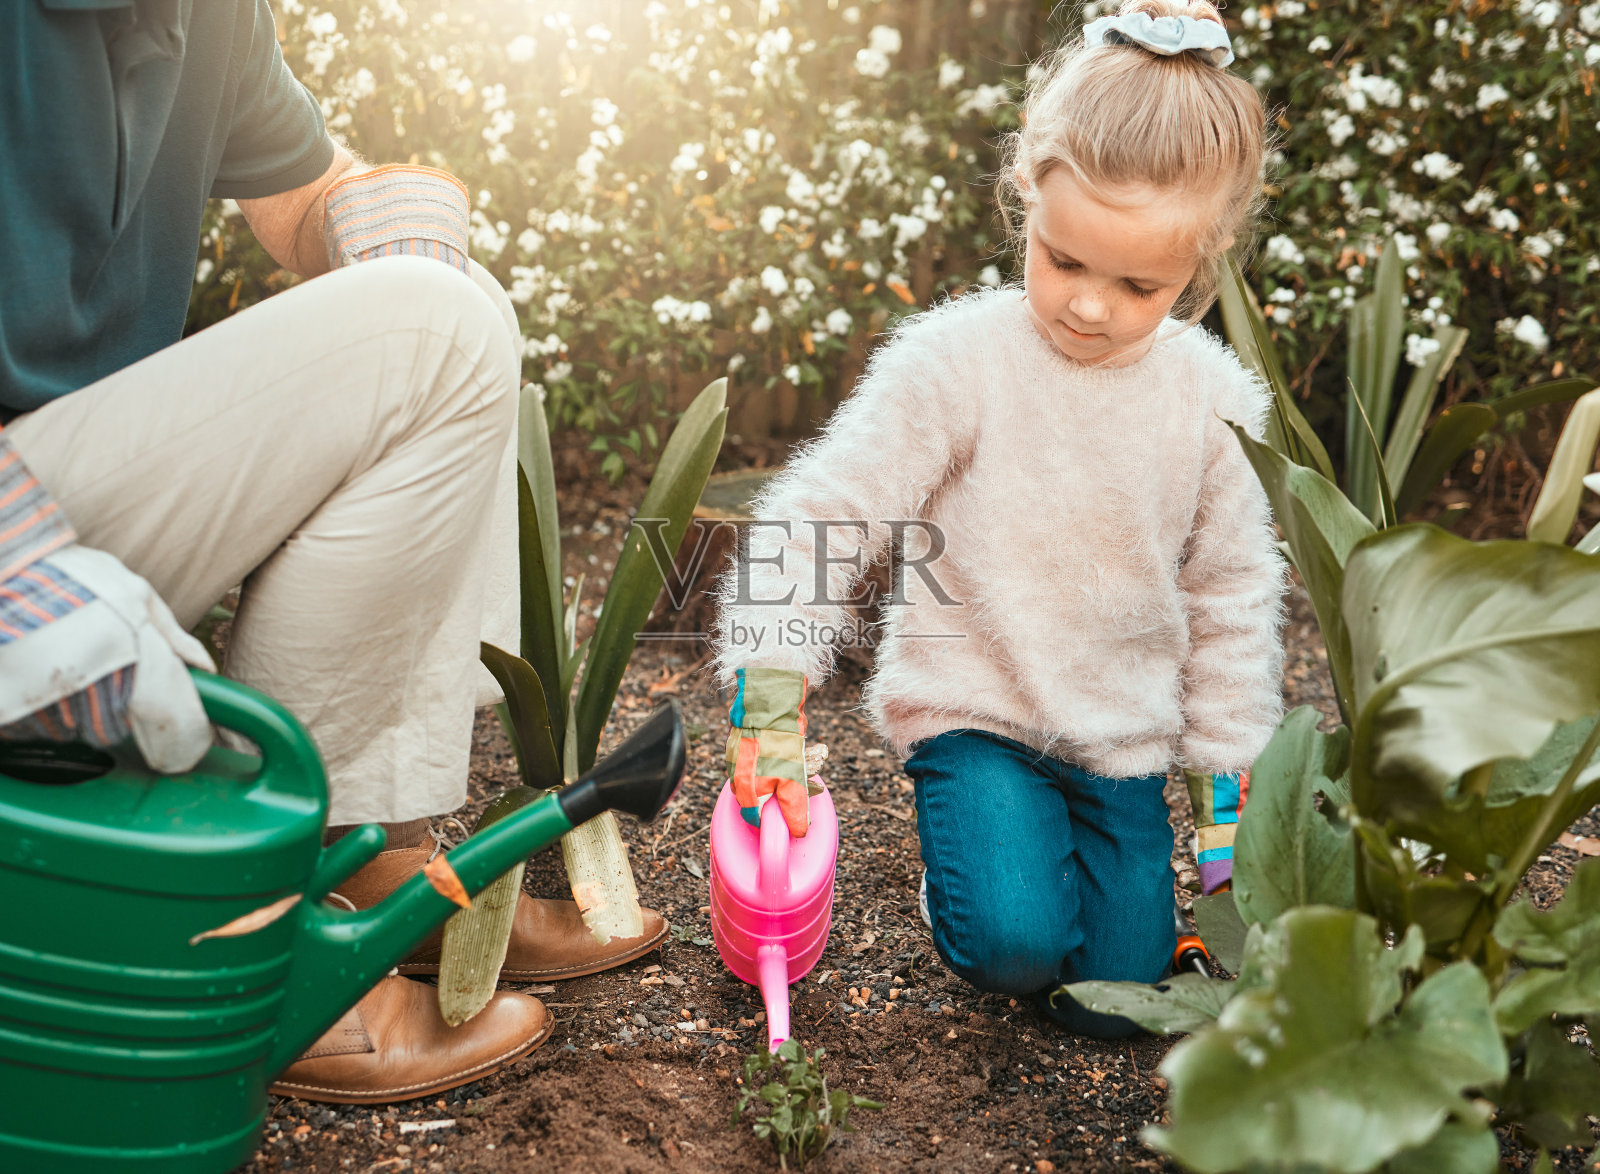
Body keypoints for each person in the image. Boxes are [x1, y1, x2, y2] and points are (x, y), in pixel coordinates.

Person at [0, 1, 665, 1103]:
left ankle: (362, 864)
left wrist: (381, 228)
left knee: (448, 311)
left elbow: (303, 192)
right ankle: (272, 948)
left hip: (67, 500)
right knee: (435, 336)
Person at [712, 0, 1284, 1036]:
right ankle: (969, 889)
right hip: (977, 707)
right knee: (1014, 948)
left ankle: (1042, 874)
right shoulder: (959, 362)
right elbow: (821, 511)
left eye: (1139, 283)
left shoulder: (1215, 404)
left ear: (1202, 262)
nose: (1090, 307)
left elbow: (1232, 594)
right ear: (1027, 192)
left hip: (1120, 734)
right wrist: (772, 693)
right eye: (1064, 261)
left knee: (1116, 1001)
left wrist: (1223, 783)